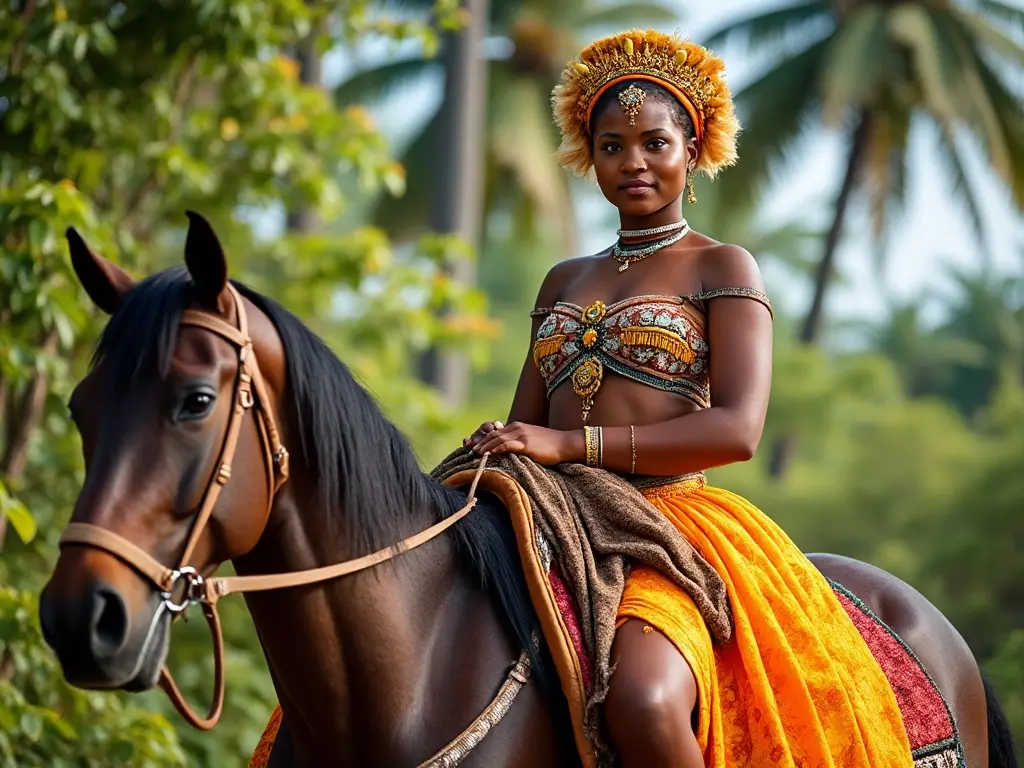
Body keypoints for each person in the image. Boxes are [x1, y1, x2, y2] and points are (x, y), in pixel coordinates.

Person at [465, 29, 914, 767]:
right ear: (590, 155)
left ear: (693, 145)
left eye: (654, 142)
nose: (632, 162)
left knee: (643, 699)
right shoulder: (561, 279)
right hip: (551, 515)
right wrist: (502, 445)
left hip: (668, 521)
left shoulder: (720, 265)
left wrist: (575, 447)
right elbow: (531, 423)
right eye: (611, 146)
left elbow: (738, 430)